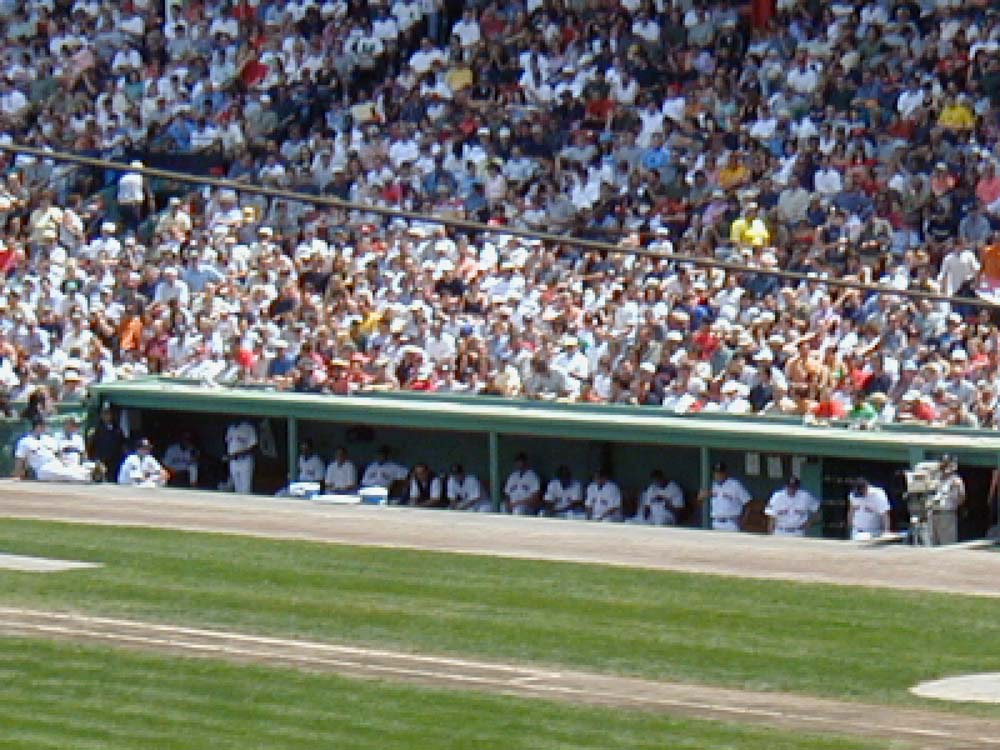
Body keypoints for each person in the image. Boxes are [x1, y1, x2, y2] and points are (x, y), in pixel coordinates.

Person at [13, 417, 96, 483]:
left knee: (69, 470)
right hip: (42, 468)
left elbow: (58, 454)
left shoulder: (48, 439)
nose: (45, 428)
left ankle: (92, 473)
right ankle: (90, 476)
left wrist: (63, 462)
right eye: (43, 425)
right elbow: (20, 459)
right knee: (65, 474)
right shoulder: (25, 441)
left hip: (55, 463)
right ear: (37, 426)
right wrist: (18, 474)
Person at [699, 462, 752, 531]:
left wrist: (743, 522)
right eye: (716, 473)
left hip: (731, 522)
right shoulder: (710, 485)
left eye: (721, 472)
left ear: (726, 473)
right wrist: (700, 497)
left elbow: (749, 503)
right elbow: (701, 503)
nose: (718, 475)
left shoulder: (735, 484)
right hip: (715, 522)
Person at [928, 456, 965, 545]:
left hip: (946, 514)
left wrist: (958, 489)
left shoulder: (956, 480)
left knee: (947, 543)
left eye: (948, 464)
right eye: (944, 464)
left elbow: (961, 499)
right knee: (932, 543)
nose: (945, 467)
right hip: (932, 514)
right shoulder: (934, 478)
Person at [87, 402, 124, 482]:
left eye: (108, 413)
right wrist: (95, 459)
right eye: (104, 413)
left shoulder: (117, 430)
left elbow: (120, 445)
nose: (106, 416)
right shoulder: (96, 430)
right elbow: (90, 446)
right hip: (100, 461)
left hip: (113, 462)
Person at [224, 419, 258, 494]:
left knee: (246, 488)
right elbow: (227, 444)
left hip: (245, 461)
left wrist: (238, 454)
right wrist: (228, 456)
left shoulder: (248, 427)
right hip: (233, 461)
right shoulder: (230, 428)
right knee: (237, 488)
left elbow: (254, 447)